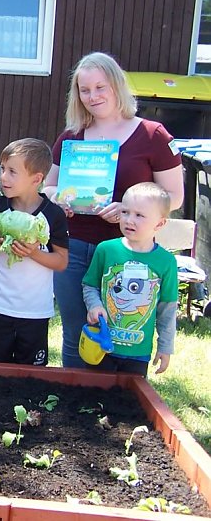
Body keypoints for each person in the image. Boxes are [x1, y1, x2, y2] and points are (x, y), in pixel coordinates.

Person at [43, 52, 183, 369]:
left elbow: (174, 196)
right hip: (74, 247)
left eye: (100, 87)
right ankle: (75, 406)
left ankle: (115, 404)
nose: (92, 96)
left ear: (117, 85)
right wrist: (60, 197)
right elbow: (48, 187)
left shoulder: (153, 135)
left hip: (130, 254)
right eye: (84, 89)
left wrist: (130, 207)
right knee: (77, 333)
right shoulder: (71, 137)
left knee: (122, 336)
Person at [0, 139, 69, 366]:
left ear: (36, 179)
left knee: (31, 374)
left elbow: (61, 261)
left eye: (12, 172)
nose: (3, 177)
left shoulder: (53, 215)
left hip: (34, 311)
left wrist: (33, 253)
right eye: (2, 169)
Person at [81, 182, 178, 375]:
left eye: (139, 215)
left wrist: (165, 347)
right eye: (125, 212)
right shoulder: (106, 250)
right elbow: (89, 285)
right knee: (94, 399)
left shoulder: (166, 262)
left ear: (159, 223)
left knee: (128, 400)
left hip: (138, 352)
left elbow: (167, 308)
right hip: (101, 345)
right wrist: (94, 305)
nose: (129, 220)